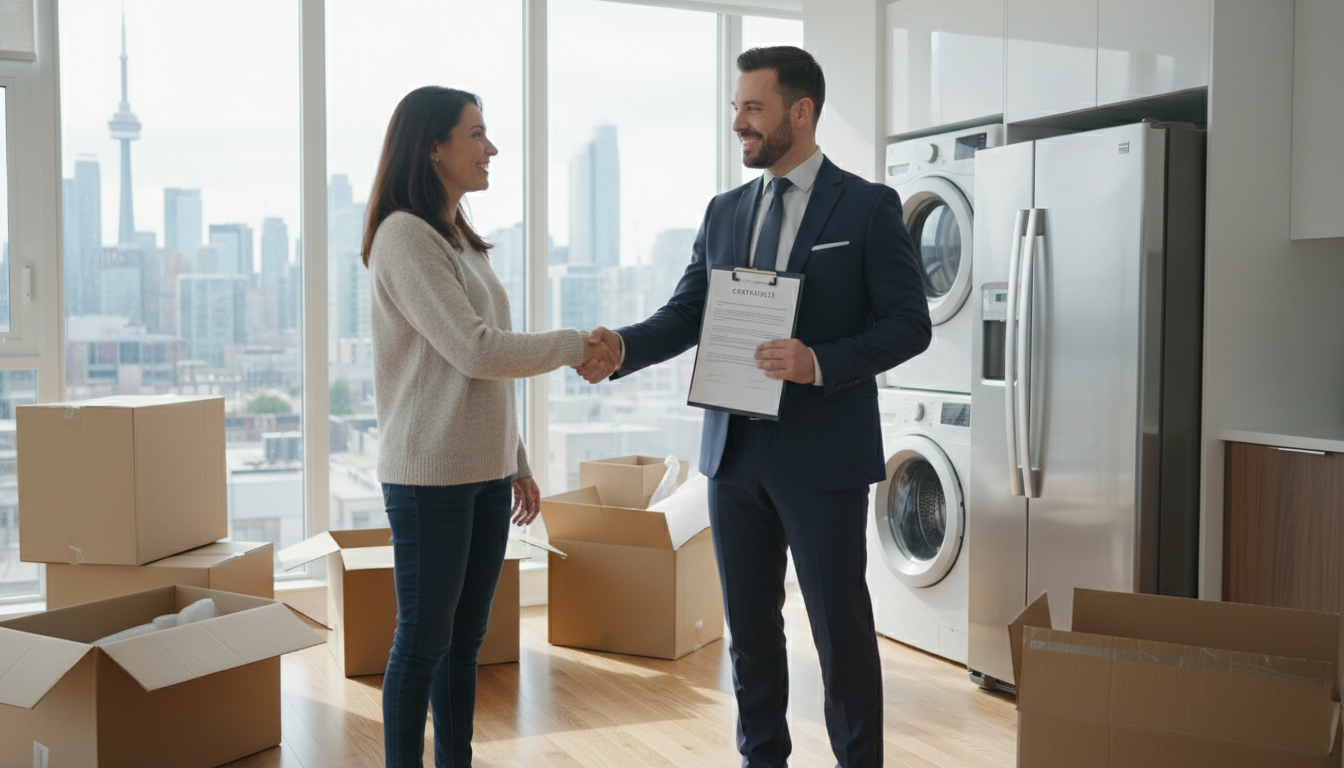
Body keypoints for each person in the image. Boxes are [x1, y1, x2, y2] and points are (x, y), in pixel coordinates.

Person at [578, 47, 931, 768]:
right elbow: (685, 315)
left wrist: (820, 361)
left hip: (822, 457)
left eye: (753, 108)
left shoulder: (866, 206)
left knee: (839, 631)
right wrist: (622, 347)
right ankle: (761, 757)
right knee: (749, 631)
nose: (738, 122)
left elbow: (910, 323)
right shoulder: (725, 210)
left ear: (800, 113)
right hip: (734, 455)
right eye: (735, 108)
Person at [364, 86, 616, 768]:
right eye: (477, 134)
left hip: (481, 471)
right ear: (433, 147)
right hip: (431, 476)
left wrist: (518, 461)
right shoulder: (403, 237)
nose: (492, 147)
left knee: (465, 643)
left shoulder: (456, 237)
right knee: (423, 643)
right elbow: (475, 349)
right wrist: (572, 345)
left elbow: (484, 361)